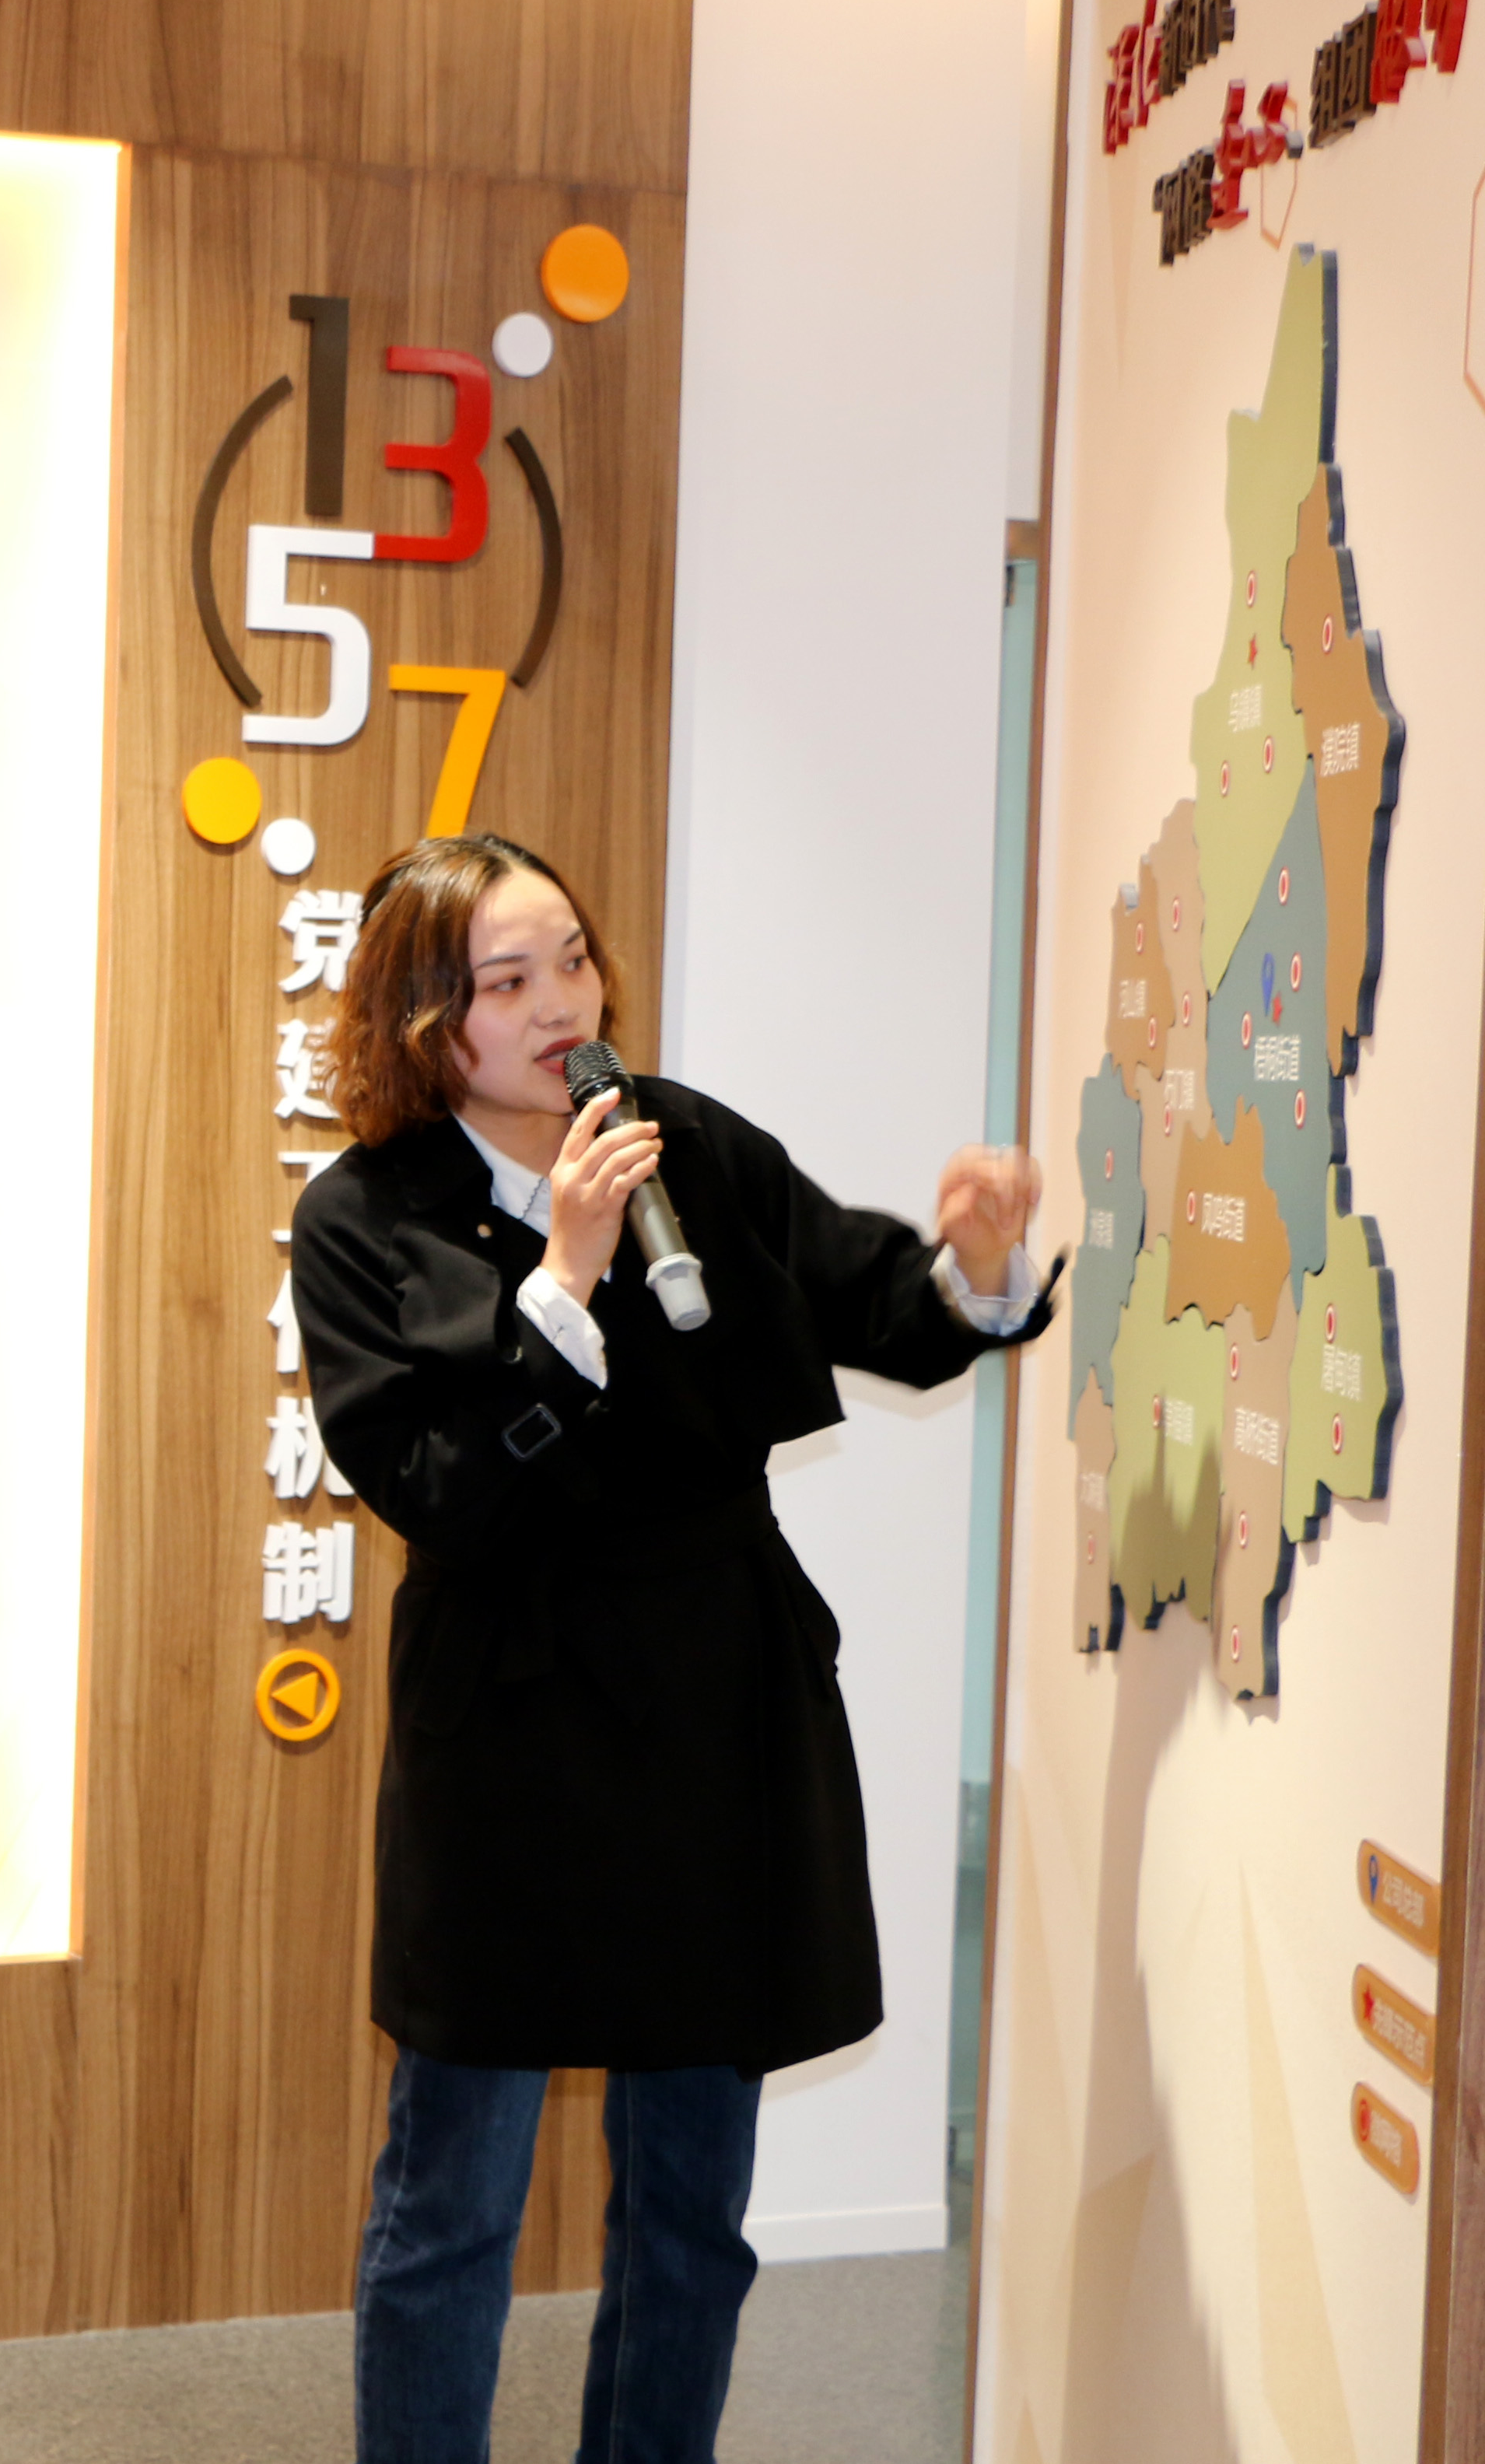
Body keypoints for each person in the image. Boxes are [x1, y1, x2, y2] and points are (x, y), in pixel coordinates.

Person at [288, 833, 1047, 2464]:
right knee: (450, 2205)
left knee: (693, 2205)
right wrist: (561, 1273)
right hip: (506, 1742)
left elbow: (876, 1300)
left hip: (716, 1720)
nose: (561, 1001)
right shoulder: (359, 1215)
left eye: (571, 957)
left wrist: (975, 1263)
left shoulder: (679, 1139)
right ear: (425, 1018)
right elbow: (437, 1489)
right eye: (508, 979)